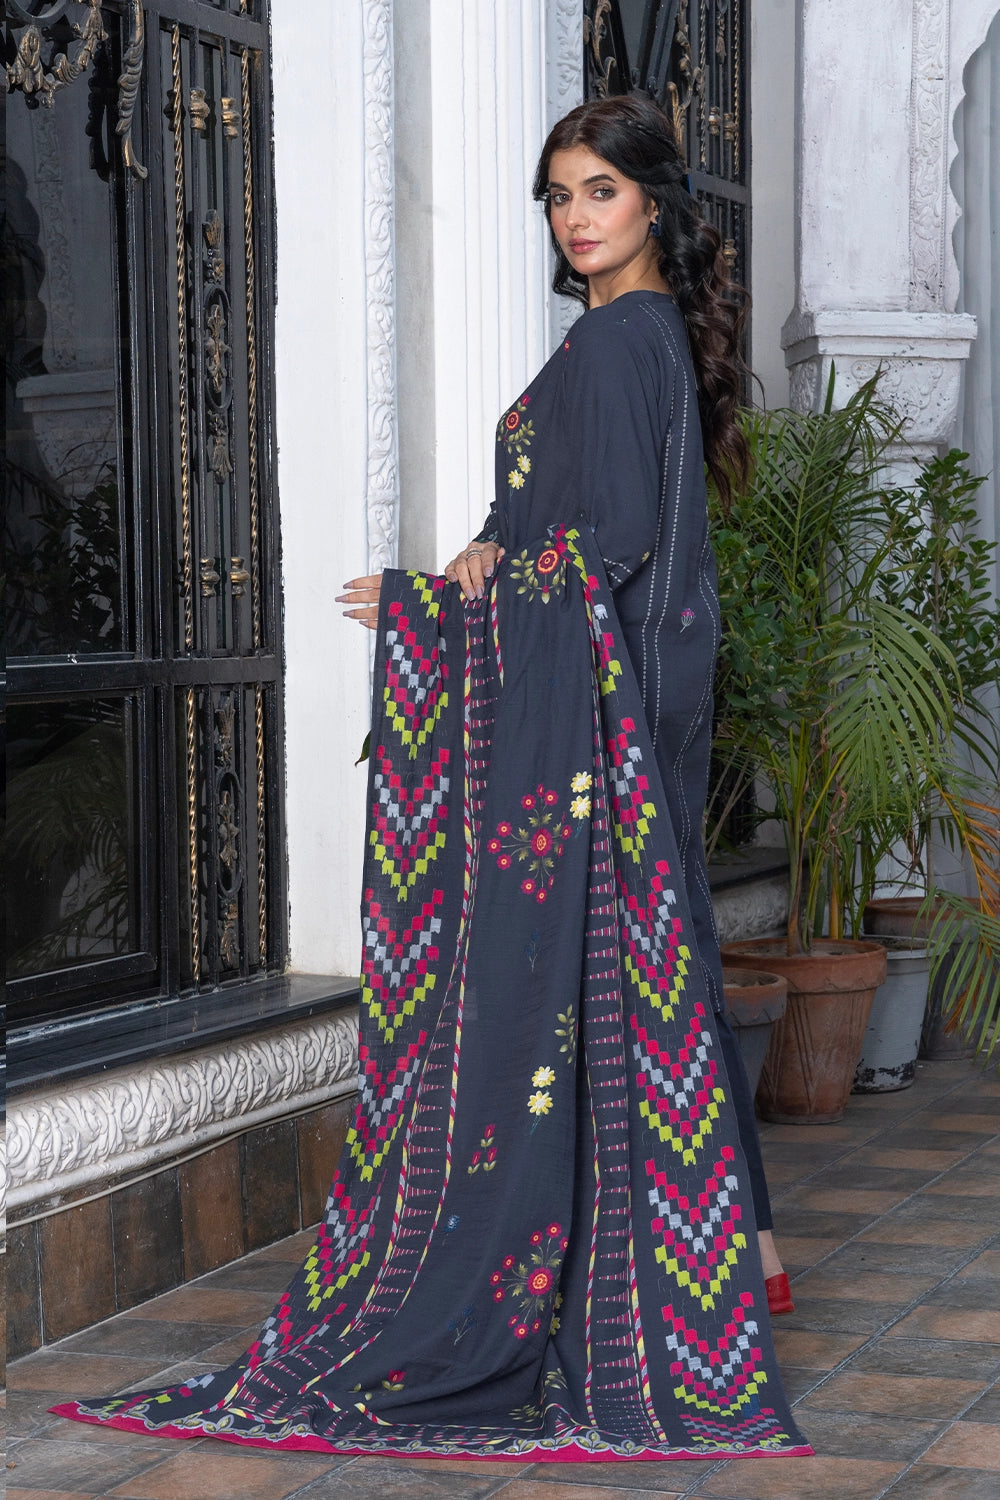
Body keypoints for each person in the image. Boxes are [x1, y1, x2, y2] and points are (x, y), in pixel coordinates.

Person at [54, 95, 810, 1462]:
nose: (576, 218)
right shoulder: (632, 335)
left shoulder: (620, 339)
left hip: (604, 712)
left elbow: (610, 541)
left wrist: (437, 605)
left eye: (600, 191)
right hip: (632, 692)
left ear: (654, 202)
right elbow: (579, 528)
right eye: (559, 196)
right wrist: (491, 555)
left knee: (603, 970)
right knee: (657, 960)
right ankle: (735, 1254)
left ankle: (662, 1280)